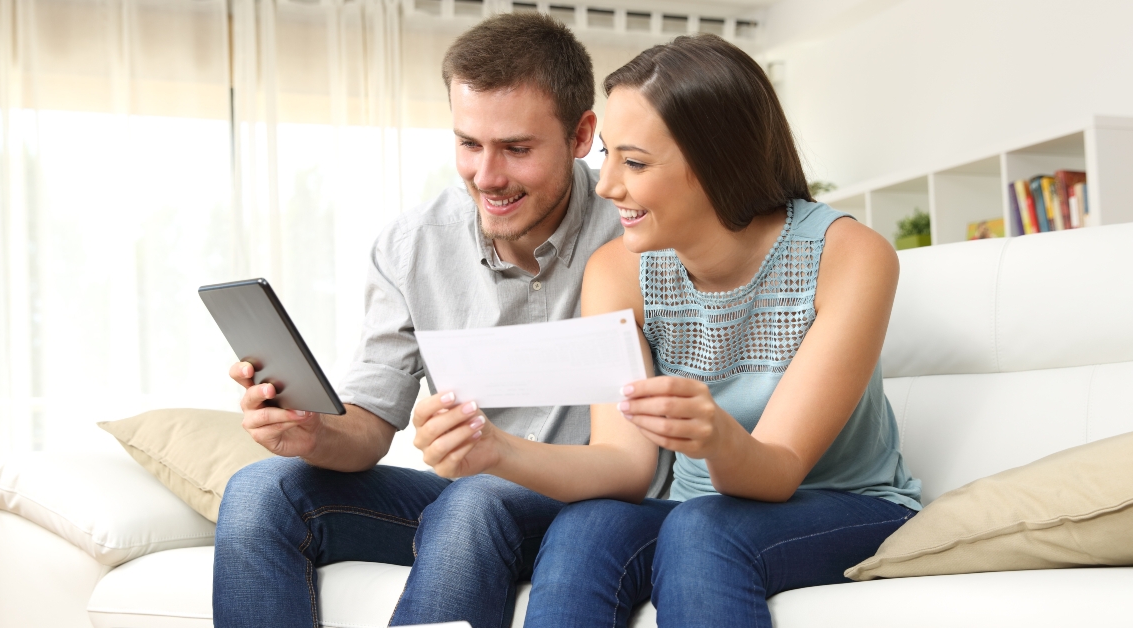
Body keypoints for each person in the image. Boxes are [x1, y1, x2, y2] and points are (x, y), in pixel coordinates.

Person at [413, 34, 922, 627]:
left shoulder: (849, 255)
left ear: (716, 162)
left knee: (702, 528)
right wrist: (494, 450)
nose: (604, 185)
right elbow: (624, 465)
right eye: (607, 155)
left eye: (634, 162)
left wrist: (715, 439)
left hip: (846, 505)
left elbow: (779, 470)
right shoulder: (618, 270)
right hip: (695, 511)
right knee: (589, 525)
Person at [212, 13, 670, 628]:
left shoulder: (637, 231)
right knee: (261, 491)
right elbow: (370, 424)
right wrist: (312, 432)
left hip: (594, 504)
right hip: (471, 498)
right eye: (468, 144)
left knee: (474, 499)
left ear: (583, 134)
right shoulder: (411, 246)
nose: (487, 177)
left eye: (516, 148)